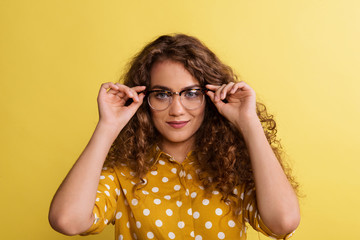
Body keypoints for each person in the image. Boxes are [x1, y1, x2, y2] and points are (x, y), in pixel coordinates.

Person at [49, 34, 300, 240]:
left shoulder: (232, 167)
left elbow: (283, 223)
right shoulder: (122, 173)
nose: (177, 109)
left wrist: (248, 123)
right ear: (144, 100)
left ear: (209, 98)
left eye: (191, 93)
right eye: (162, 94)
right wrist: (107, 126)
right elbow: (67, 221)